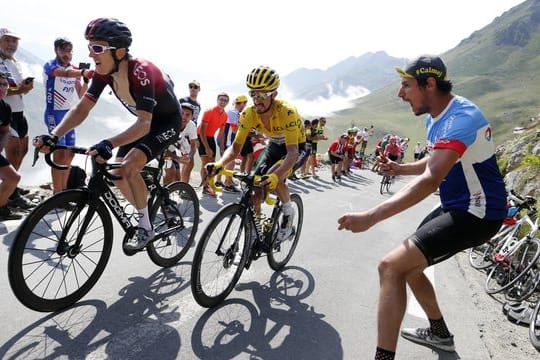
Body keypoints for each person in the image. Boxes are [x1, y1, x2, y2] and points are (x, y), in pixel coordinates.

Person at [337, 55, 507, 360]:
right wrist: (399, 169)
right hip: (459, 205)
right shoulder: (435, 117)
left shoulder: (461, 118)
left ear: (429, 84)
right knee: (410, 267)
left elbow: (431, 180)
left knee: (390, 266)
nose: (400, 94)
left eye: (406, 85)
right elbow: (436, 160)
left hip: (478, 213)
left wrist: (371, 216)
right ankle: (440, 335)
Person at [34, 18, 181, 251]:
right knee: (116, 172)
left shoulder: (142, 71)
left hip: (166, 123)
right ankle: (149, 211)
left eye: (98, 48)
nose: (92, 54)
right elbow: (82, 108)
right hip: (144, 121)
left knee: (129, 165)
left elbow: (144, 124)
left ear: (120, 51)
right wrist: (54, 135)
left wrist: (108, 143)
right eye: (90, 47)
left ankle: (146, 227)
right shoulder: (103, 73)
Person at [207, 65, 302, 242]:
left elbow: (292, 152)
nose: (257, 100)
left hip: (296, 148)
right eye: (254, 94)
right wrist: (219, 165)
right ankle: (254, 230)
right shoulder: (249, 113)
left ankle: (288, 213)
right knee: (255, 190)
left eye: (263, 94)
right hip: (274, 145)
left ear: (274, 93)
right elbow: (235, 148)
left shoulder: (287, 112)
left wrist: (275, 176)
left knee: (275, 176)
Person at [43, 37, 89, 193]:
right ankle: (57, 193)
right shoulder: (51, 65)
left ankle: (64, 192)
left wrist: (86, 80)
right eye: (63, 50)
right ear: (56, 50)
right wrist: (81, 71)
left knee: (69, 154)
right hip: (53, 113)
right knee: (59, 155)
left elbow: (81, 94)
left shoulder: (74, 69)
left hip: (69, 115)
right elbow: (64, 73)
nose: (67, 54)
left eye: (69, 51)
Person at [0, 28, 35, 210]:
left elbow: (16, 86)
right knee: (13, 151)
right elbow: (4, 89)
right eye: (7, 40)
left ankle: (12, 188)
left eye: (14, 41)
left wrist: (25, 86)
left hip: (19, 111)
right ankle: (10, 193)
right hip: (6, 113)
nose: (11, 45)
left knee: (23, 150)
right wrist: (22, 90)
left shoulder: (15, 62)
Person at [0, 71, 23, 221]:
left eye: (5, 85)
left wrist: (1, 145)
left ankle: (1, 208)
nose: (2, 88)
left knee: (13, 178)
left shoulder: (5, 108)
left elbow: (5, 131)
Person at [197, 92, 229, 197]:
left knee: (213, 164)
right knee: (205, 163)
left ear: (227, 103)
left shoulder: (225, 115)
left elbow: (222, 133)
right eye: (221, 99)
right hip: (201, 136)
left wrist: (223, 150)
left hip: (210, 137)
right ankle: (205, 187)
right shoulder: (209, 111)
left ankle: (209, 185)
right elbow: (202, 131)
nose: (223, 102)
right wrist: (206, 147)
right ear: (217, 100)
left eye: (225, 100)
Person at [163, 102, 198, 185]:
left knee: (177, 178)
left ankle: (175, 190)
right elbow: (162, 149)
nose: (184, 117)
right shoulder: (170, 124)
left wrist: (189, 156)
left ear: (192, 117)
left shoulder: (191, 125)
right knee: (171, 170)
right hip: (159, 149)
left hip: (171, 149)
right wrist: (177, 158)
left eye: (187, 115)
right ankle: (163, 194)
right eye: (182, 113)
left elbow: (193, 145)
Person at [220, 94, 248, 192]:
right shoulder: (234, 113)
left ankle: (228, 180)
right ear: (242, 103)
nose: (245, 106)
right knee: (230, 160)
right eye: (245, 104)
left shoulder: (233, 112)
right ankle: (227, 183)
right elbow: (235, 129)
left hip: (228, 138)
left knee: (230, 159)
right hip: (228, 139)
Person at [178, 80, 201, 181]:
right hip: (179, 132)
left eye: (195, 87)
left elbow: (195, 121)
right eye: (190, 86)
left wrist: (196, 138)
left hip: (190, 132)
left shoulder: (198, 104)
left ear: (199, 89)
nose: (192, 88)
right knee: (176, 163)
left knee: (189, 162)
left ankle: (183, 185)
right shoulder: (183, 100)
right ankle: (180, 185)